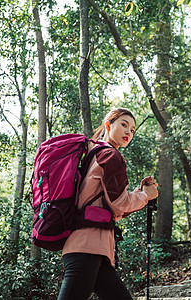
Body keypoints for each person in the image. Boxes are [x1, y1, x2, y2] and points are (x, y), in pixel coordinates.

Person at [57, 108, 159, 300]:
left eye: (133, 130)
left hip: (94, 249)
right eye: (124, 125)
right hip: (87, 247)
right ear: (107, 125)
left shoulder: (95, 154)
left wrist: (140, 193)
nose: (129, 132)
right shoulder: (111, 156)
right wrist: (145, 196)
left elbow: (110, 207)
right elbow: (120, 205)